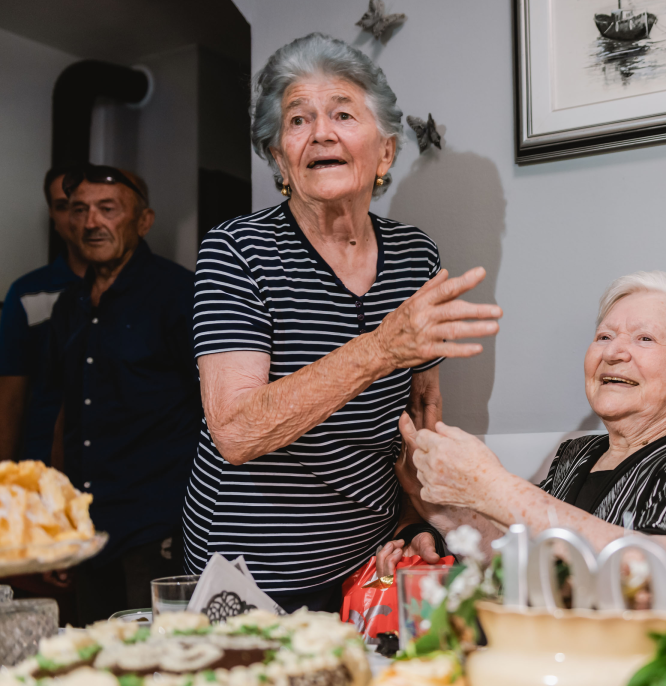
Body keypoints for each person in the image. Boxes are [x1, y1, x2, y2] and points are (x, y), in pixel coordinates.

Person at [181, 32, 502, 613]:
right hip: (250, 569)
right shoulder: (236, 250)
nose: (320, 133)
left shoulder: (414, 258)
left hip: (370, 560)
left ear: (384, 151)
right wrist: (381, 347)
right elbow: (234, 431)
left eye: (342, 114)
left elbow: (419, 412)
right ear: (280, 157)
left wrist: (415, 516)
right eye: (298, 120)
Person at [386, 272, 666, 584]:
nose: (613, 352)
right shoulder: (577, 455)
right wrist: (438, 509)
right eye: (604, 336)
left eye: (644, 338)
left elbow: (658, 576)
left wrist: (489, 485)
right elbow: (521, 564)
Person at [48, 164, 199, 624]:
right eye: (80, 210)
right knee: (95, 655)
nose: (91, 222)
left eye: (107, 209)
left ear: (143, 221)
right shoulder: (68, 304)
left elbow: (214, 411)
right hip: (89, 530)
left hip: (157, 528)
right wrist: (58, 519)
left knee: (160, 666)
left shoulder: (179, 294)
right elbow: (65, 414)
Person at [0, 167, 88, 463]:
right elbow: (10, 400)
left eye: (81, 205)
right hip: (42, 466)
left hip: (124, 475)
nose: (78, 219)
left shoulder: (150, 291)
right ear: (52, 215)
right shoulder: (27, 293)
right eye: (64, 207)